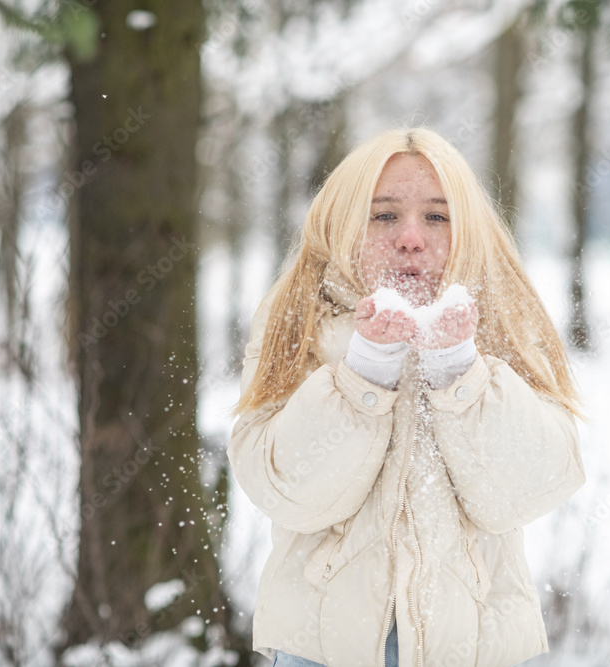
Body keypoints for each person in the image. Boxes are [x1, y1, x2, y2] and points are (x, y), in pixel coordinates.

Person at [228, 126, 586, 667]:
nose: (411, 238)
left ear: (466, 228)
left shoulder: (500, 322)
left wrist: (459, 370)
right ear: (343, 225)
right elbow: (286, 492)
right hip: (322, 651)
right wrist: (364, 371)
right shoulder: (299, 321)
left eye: (437, 217)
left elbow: (531, 487)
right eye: (384, 215)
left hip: (479, 647)